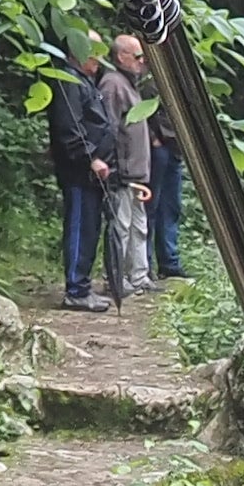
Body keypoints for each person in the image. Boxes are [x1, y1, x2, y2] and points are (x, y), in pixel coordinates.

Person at [48, 32, 123, 310]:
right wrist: (90, 157)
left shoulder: (85, 82)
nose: (99, 60)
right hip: (79, 171)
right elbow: (69, 128)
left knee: (91, 228)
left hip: (94, 173)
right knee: (80, 227)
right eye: (94, 54)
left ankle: (82, 285)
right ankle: (76, 290)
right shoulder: (68, 82)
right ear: (78, 52)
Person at [114, 31, 186, 281]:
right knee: (147, 208)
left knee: (171, 206)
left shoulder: (174, 74)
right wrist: (154, 139)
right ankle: (141, 267)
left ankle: (167, 263)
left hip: (175, 148)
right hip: (154, 149)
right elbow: (137, 114)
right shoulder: (138, 78)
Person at [95, 40, 155, 303]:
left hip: (138, 173)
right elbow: (107, 126)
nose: (143, 61)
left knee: (139, 226)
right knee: (120, 226)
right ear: (121, 56)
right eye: (138, 55)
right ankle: (116, 279)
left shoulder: (130, 84)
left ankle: (139, 276)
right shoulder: (112, 83)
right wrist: (112, 164)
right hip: (123, 171)